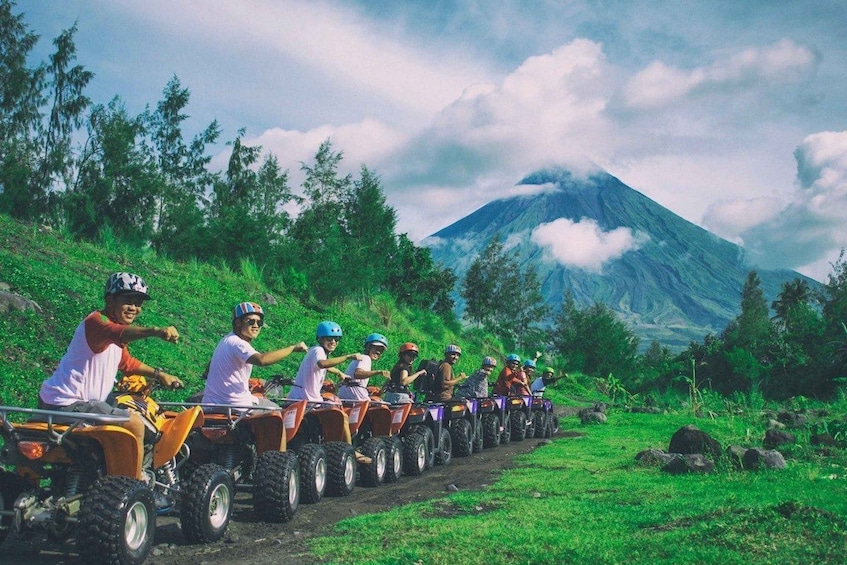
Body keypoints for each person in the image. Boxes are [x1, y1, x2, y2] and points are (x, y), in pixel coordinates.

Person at [38, 272, 183, 482]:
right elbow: (118, 333)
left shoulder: (110, 335)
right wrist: (156, 331)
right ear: (110, 299)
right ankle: (133, 485)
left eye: (138, 302)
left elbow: (127, 363)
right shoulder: (97, 322)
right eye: (127, 300)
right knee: (135, 424)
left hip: (59, 403)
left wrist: (160, 375)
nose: (134, 307)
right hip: (70, 405)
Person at [201, 302, 308, 409]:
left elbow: (210, 365)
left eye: (259, 322)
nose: (256, 326)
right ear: (238, 322)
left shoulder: (226, 340)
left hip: (211, 402)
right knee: (278, 411)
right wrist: (292, 348)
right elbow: (262, 360)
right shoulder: (239, 343)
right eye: (251, 321)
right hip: (235, 404)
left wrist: (207, 376)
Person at [338, 333, 390, 401]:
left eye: (381, 350)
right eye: (376, 348)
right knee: (380, 407)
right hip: (354, 394)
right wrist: (378, 372)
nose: (378, 352)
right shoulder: (366, 358)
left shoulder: (361, 358)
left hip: (345, 392)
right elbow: (358, 374)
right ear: (368, 347)